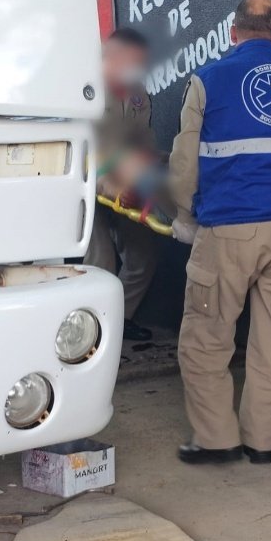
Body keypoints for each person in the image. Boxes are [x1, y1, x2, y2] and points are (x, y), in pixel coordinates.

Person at [168, 0, 271, 465]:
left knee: (207, 337)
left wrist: (185, 217)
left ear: (232, 33)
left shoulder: (208, 80)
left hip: (230, 226)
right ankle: (262, 442)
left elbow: (184, 163)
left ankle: (218, 440)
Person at [87, 28, 160, 342]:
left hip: (125, 185)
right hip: (88, 186)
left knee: (143, 258)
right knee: (99, 264)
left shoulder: (138, 92)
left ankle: (120, 319)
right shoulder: (86, 88)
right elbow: (84, 152)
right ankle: (91, 332)